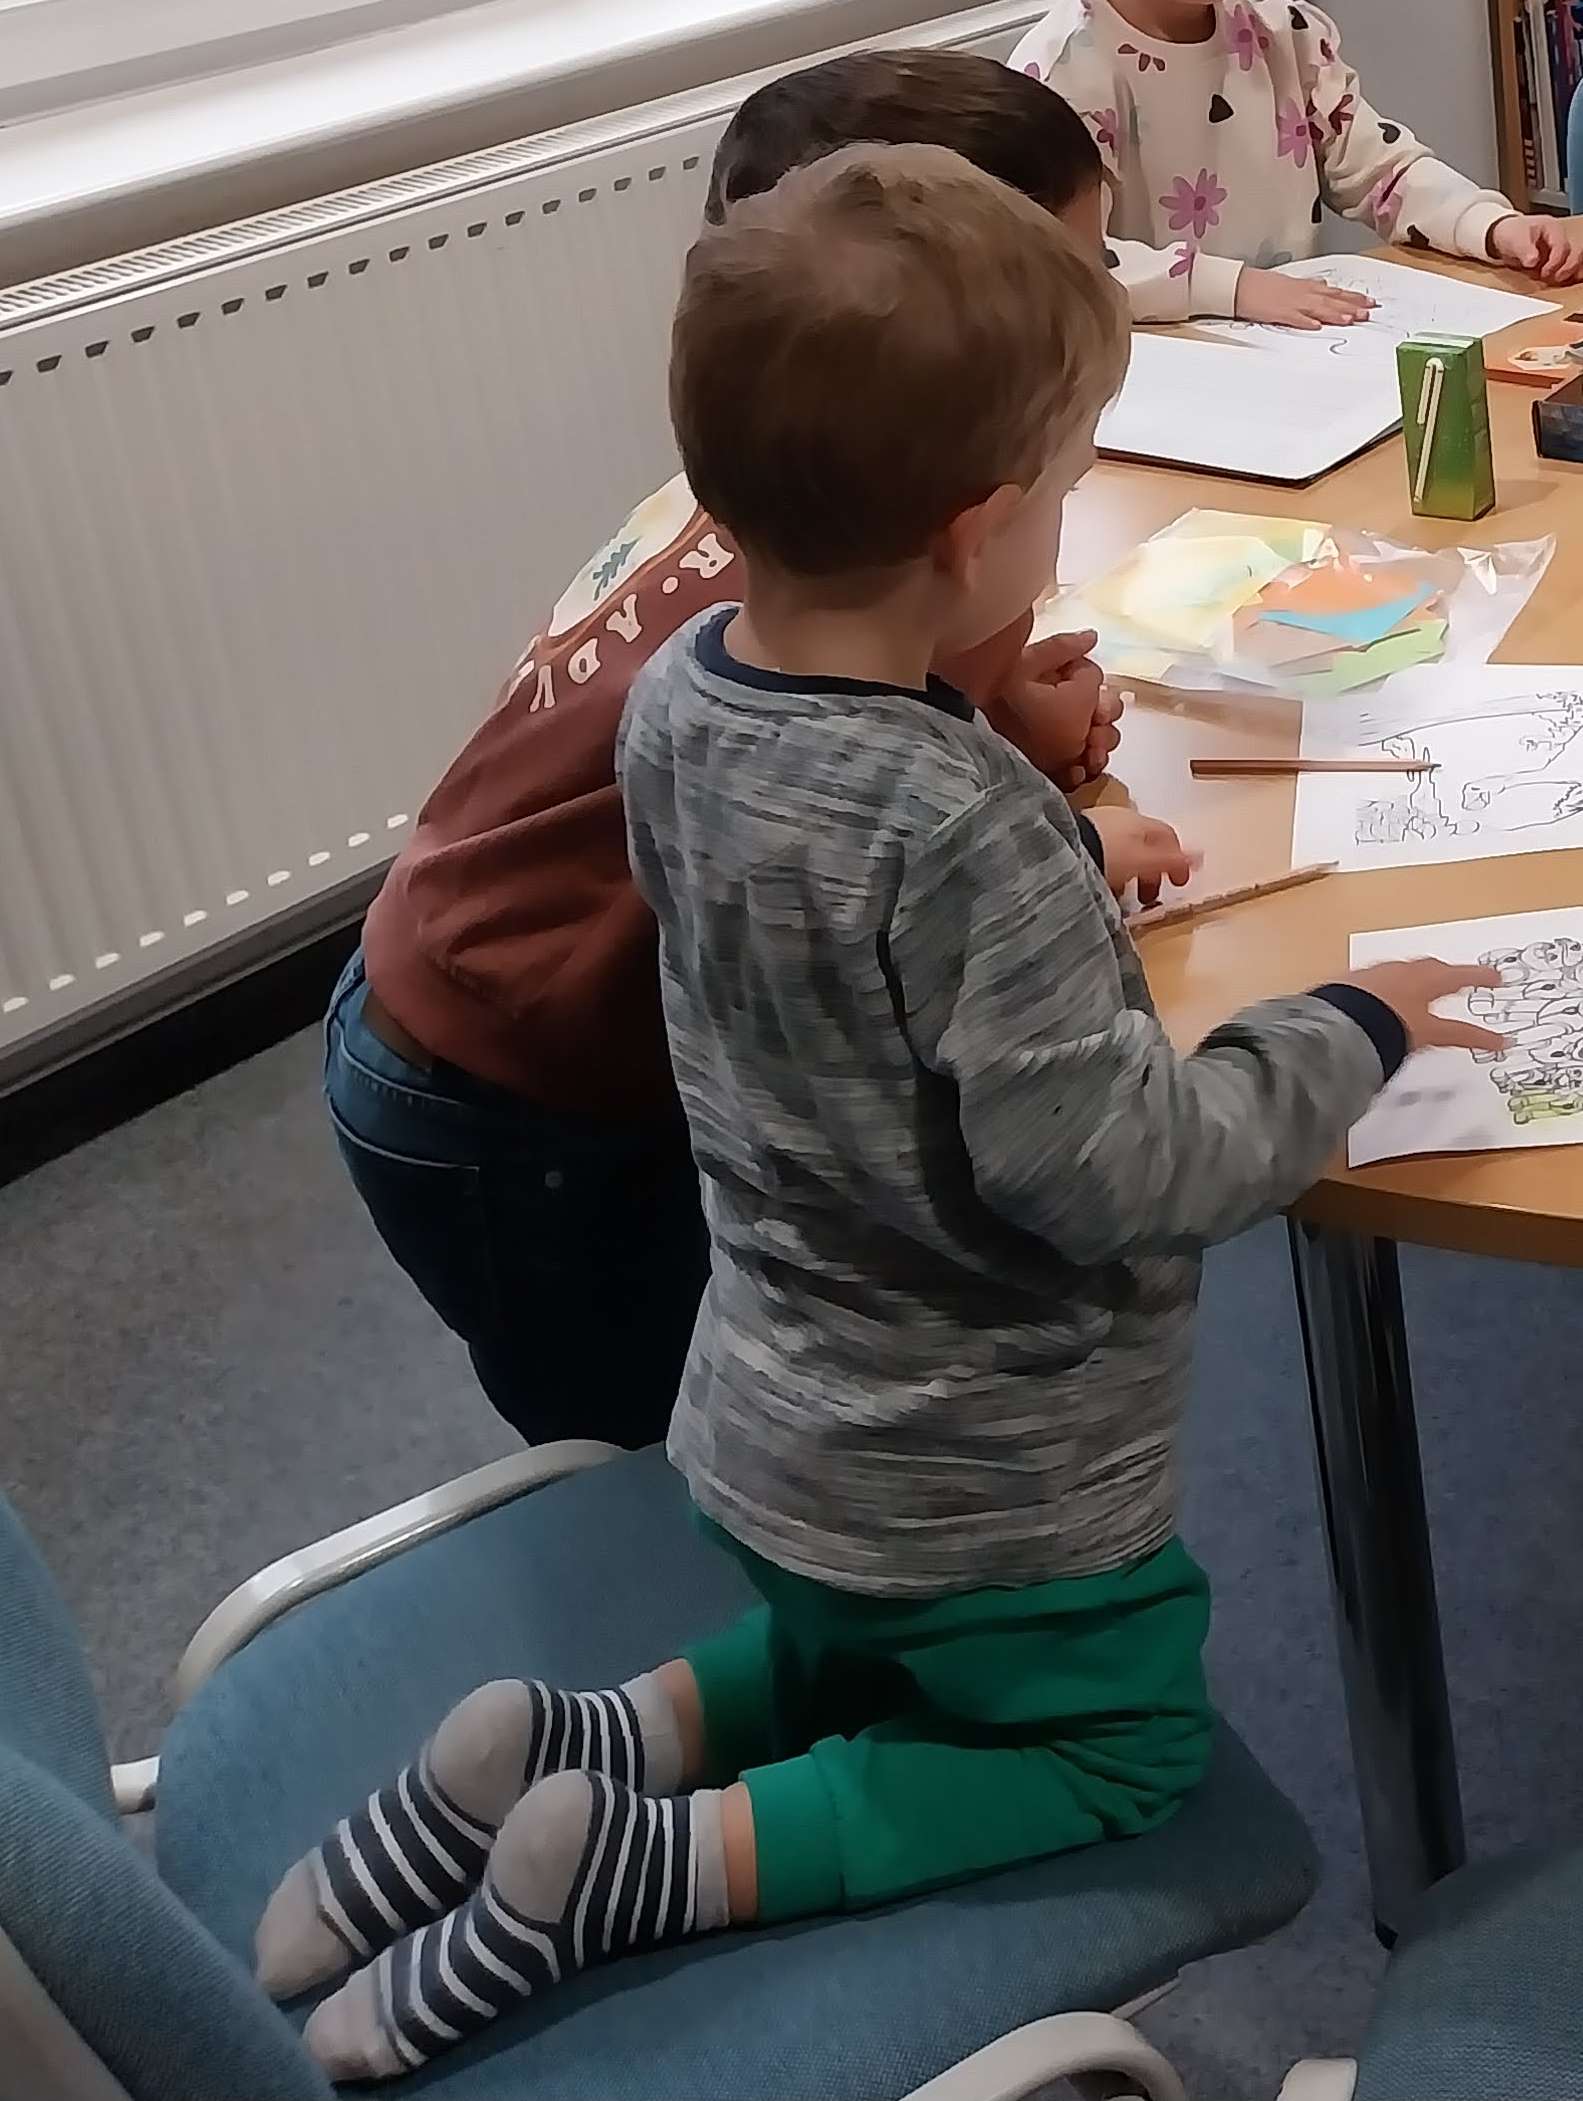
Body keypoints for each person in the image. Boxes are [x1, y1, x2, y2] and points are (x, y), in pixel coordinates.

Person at [258, 143, 1502, 2082]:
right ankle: (652, 1864)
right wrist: (1343, 1023)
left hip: (768, 1413)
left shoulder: (680, 703)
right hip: (988, 1473)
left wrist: (1033, 897)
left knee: (851, 1645)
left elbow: (838, 956)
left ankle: (570, 1744)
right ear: (976, 533)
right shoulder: (960, 827)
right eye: (1064, 492)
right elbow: (1122, 1173)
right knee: (1103, 1740)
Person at [329, 50, 1120, 1449]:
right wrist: (1069, 850)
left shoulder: (803, 505)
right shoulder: (867, 609)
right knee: (671, 1444)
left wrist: (1005, 709)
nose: (1103, 303)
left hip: (462, 985)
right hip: (508, 1084)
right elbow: (880, 910)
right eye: (1069, 275)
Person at [1012, 0, 1583, 326]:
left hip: (1296, 352)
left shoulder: (1283, 30)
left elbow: (1381, 167)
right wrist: (1233, 288)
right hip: (1154, 371)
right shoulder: (1065, 70)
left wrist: (1491, 225)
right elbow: (1059, 261)